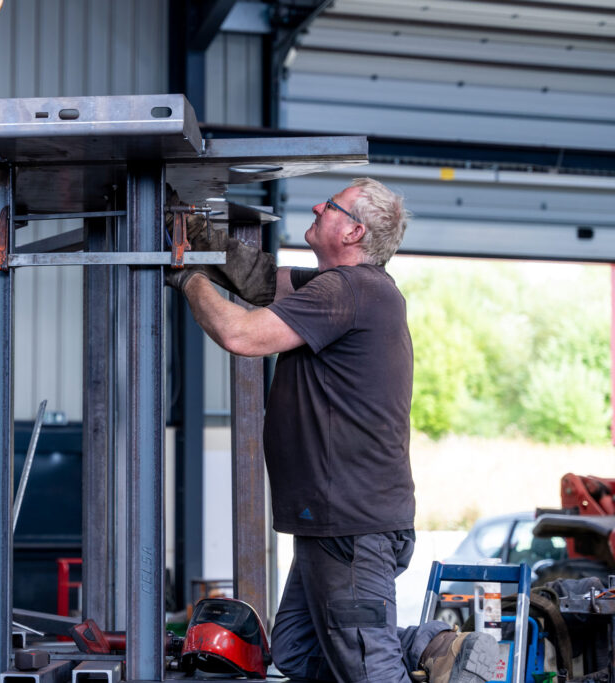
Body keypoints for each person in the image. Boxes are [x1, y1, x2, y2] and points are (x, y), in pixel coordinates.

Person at [167, 178, 499, 683]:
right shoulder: (344, 289)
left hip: (350, 525)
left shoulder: (351, 290)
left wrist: (186, 277)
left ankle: (415, 646)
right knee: (299, 653)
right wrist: (195, 234)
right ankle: (429, 644)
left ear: (353, 231)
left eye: (333, 205)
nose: (319, 206)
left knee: (369, 669)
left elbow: (239, 333)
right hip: (332, 521)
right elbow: (259, 281)